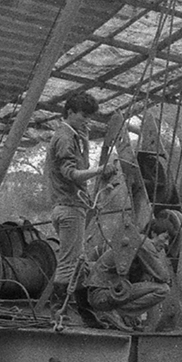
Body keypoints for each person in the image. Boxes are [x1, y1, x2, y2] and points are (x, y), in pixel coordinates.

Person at [43, 94, 114, 319]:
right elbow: (71, 174)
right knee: (69, 263)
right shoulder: (64, 138)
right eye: (84, 116)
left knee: (79, 262)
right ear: (71, 112)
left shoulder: (72, 136)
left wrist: (84, 140)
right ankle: (58, 314)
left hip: (69, 206)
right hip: (69, 207)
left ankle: (85, 313)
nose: (87, 121)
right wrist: (101, 170)